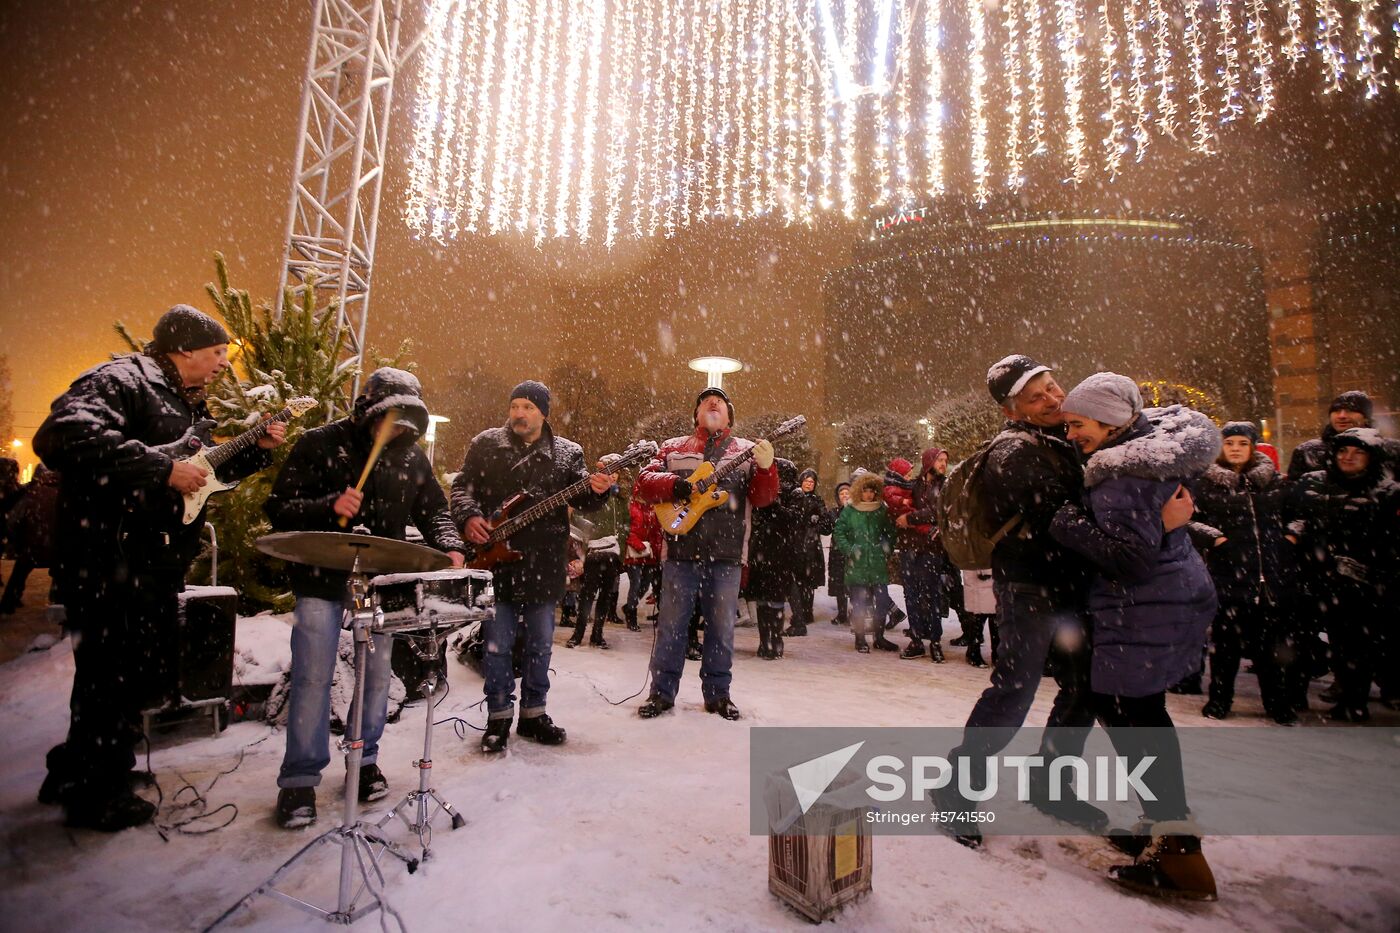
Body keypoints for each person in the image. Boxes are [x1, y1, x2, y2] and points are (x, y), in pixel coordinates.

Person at [34, 305, 286, 831]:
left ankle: (82, 769)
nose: (224, 363)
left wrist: (255, 451)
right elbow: (60, 437)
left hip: (147, 561)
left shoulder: (182, 399)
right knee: (110, 674)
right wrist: (161, 468)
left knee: (119, 674)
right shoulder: (122, 380)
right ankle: (97, 796)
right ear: (185, 348)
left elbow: (202, 473)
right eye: (217, 352)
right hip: (107, 559)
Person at [933, 355, 1191, 846]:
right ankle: (956, 788)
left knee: (1084, 689)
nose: (1053, 399)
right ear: (1012, 411)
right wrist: (1150, 529)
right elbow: (1063, 520)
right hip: (1029, 587)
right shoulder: (1015, 452)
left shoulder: (1069, 436)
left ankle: (1051, 783)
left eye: (1052, 386)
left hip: (1076, 584)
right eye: (1036, 398)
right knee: (1015, 689)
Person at [264, 368, 465, 829]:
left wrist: (451, 545)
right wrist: (327, 506)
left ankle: (364, 759)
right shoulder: (319, 444)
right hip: (320, 579)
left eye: (404, 423)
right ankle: (299, 780)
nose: (394, 430)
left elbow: (435, 510)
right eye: (387, 419)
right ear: (367, 411)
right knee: (313, 678)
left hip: (379, 583)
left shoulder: (411, 457)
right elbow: (278, 508)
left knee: (376, 679)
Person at [1049, 373, 1220, 901]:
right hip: (1165, 602)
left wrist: (1067, 523)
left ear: (1110, 421)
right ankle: (1164, 828)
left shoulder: (1121, 476)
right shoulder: (1146, 456)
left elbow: (1130, 560)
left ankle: (1179, 855)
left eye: (1078, 424)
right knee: (1140, 716)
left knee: (1134, 720)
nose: (1071, 434)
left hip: (1143, 608)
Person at [452, 380, 614, 751]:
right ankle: (498, 717)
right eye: (515, 406)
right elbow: (461, 488)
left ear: (543, 413)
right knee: (497, 646)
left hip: (544, 562)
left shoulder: (568, 453)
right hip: (496, 563)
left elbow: (585, 498)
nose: (519, 414)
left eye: (528, 407)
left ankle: (533, 714)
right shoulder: (487, 444)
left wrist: (600, 490)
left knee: (540, 645)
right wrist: (469, 516)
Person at [634, 386, 777, 720]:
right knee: (671, 627)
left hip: (726, 555)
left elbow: (763, 498)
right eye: (705, 402)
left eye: (720, 402)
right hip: (680, 552)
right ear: (696, 414)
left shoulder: (746, 450)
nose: (713, 403)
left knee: (721, 630)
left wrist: (767, 469)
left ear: (729, 416)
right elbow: (644, 482)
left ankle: (718, 694)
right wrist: (675, 485)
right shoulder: (672, 447)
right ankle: (661, 693)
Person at [1284, 427, 1400, 721]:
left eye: (1358, 452)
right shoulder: (1312, 483)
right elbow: (1292, 517)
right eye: (1343, 451)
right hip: (1311, 575)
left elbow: (1390, 541)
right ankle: (1293, 697)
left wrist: (1374, 572)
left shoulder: (1387, 492)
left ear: (1372, 458)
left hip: (1359, 582)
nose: (1348, 457)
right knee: (1299, 640)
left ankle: (1352, 701)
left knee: (1354, 646)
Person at [1189, 421, 1297, 724]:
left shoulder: (1274, 482)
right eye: (1229, 443)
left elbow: (1298, 515)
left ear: (1252, 447)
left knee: (1271, 649)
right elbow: (1189, 521)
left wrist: (1290, 538)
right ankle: (1219, 700)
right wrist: (1217, 539)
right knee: (1226, 647)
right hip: (1228, 578)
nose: (1235, 449)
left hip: (1270, 579)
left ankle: (1277, 703)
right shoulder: (1206, 484)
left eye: (1242, 443)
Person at [886, 449, 951, 662]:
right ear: (929, 461)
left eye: (945, 460)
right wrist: (899, 516)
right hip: (909, 546)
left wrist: (910, 519)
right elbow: (896, 504)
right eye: (940, 460)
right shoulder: (912, 485)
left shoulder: (945, 486)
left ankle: (935, 641)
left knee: (931, 594)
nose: (943, 464)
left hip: (932, 548)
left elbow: (938, 512)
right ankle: (916, 640)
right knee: (911, 594)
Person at [833, 472, 900, 653]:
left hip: (877, 564)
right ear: (858, 491)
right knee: (860, 604)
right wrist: (850, 549)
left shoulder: (881, 510)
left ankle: (879, 637)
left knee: (882, 602)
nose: (869, 495)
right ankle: (860, 638)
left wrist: (886, 547)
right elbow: (839, 532)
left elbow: (890, 532)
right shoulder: (850, 510)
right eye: (865, 491)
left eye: (871, 491)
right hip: (857, 565)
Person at [747, 459, 799, 659]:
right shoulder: (762, 490)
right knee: (762, 600)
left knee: (776, 600)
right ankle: (764, 641)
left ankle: (775, 640)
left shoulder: (794, 494)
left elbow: (794, 519)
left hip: (781, 554)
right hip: (762, 552)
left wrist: (773, 505)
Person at [1286, 391, 1399, 481]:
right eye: (1336, 411)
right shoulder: (1308, 451)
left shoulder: (1391, 450)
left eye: (1350, 410)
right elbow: (1294, 494)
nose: (1342, 416)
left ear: (1366, 417)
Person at [0, 465, 60, 614]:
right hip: (57, 549)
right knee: (62, 569)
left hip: (32, 547)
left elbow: (13, 520)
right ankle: (57, 600)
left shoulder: (31, 493)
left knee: (20, 571)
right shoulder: (64, 494)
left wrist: (16, 541)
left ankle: (9, 602)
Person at [784, 468, 826, 636]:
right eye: (806, 481)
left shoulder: (817, 500)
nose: (809, 484)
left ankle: (806, 612)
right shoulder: (794, 496)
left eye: (812, 482)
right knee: (798, 579)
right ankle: (800, 613)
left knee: (808, 581)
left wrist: (817, 521)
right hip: (795, 544)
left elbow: (825, 523)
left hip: (810, 546)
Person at [567, 532, 622, 649]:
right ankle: (583, 634)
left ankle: (593, 634)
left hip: (610, 554)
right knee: (589, 597)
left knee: (601, 596)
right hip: (595, 554)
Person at [623, 478, 663, 631]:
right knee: (636, 583)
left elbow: (656, 532)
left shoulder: (653, 509)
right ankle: (631, 616)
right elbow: (626, 529)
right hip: (635, 552)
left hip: (649, 554)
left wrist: (655, 550)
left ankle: (629, 607)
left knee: (645, 585)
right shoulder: (631, 507)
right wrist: (637, 544)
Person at [821, 482, 853, 625]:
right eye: (842, 493)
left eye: (847, 493)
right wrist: (822, 518)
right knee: (839, 584)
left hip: (852, 552)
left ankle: (855, 612)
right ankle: (842, 613)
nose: (844, 496)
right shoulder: (833, 512)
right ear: (837, 497)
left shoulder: (855, 511)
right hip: (837, 553)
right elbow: (826, 530)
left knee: (853, 584)